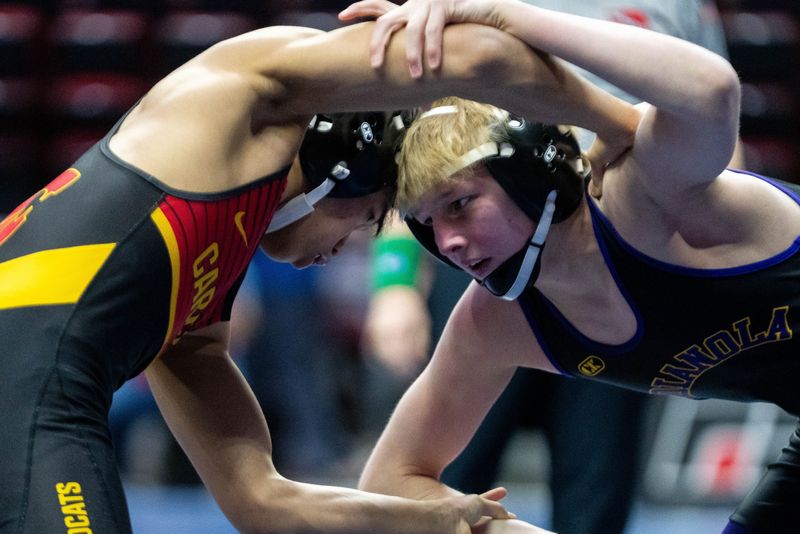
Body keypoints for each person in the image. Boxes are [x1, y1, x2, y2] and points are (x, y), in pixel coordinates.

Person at [0, 10, 641, 532]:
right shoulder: (236, 93)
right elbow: (479, 56)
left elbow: (262, 502)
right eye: (371, 216)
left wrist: (434, 517)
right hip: (31, 402)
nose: (354, 241)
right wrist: (617, 122)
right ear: (348, 165)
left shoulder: (193, 313)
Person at [343, 1, 799, 533]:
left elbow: (713, 89)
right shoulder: (493, 322)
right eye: (427, 223)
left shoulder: (644, 196)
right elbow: (388, 484)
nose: (448, 243)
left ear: (528, 174)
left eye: (460, 205)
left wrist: (504, 15)